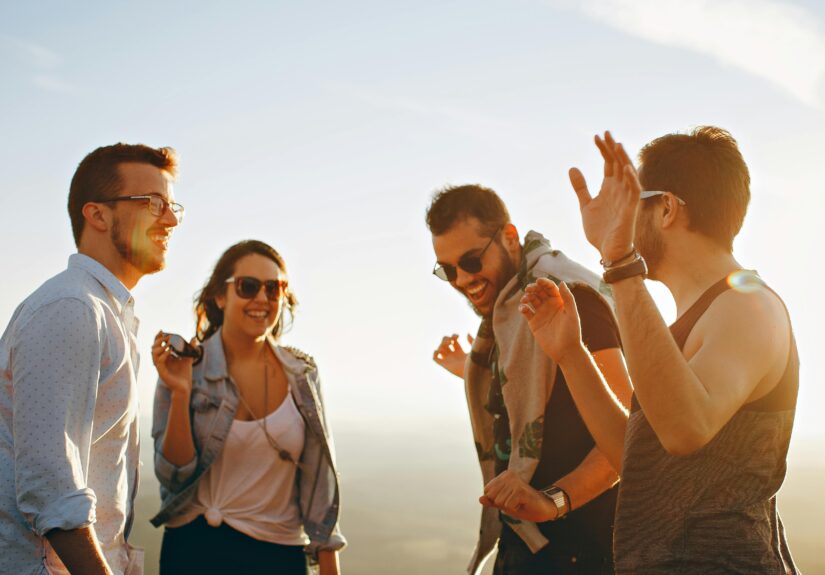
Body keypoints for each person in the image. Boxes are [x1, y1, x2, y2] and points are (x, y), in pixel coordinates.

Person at [503, 128, 799, 573]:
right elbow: (641, 461)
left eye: (632, 204)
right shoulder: (694, 319)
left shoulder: (748, 305)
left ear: (665, 208)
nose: (623, 217)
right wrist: (572, 355)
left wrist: (619, 262)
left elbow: (684, 429)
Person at [427, 185, 632, 575]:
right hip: (527, 545)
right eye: (447, 270)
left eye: (470, 261)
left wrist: (553, 501)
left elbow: (626, 437)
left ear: (508, 237)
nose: (460, 280)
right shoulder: (509, 311)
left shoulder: (569, 298)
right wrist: (473, 370)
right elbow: (543, 396)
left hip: (581, 551)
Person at [0, 143, 181, 574]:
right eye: (153, 203)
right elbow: (52, 492)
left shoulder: (105, 313)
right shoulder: (72, 307)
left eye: (173, 206)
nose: (171, 219)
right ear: (97, 214)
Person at [150, 239, 345, 575]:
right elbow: (173, 475)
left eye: (274, 288)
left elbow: (319, 488)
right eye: (248, 286)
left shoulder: (302, 375)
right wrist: (180, 392)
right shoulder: (185, 366)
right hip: (192, 553)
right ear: (220, 296)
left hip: (278, 557)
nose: (261, 299)